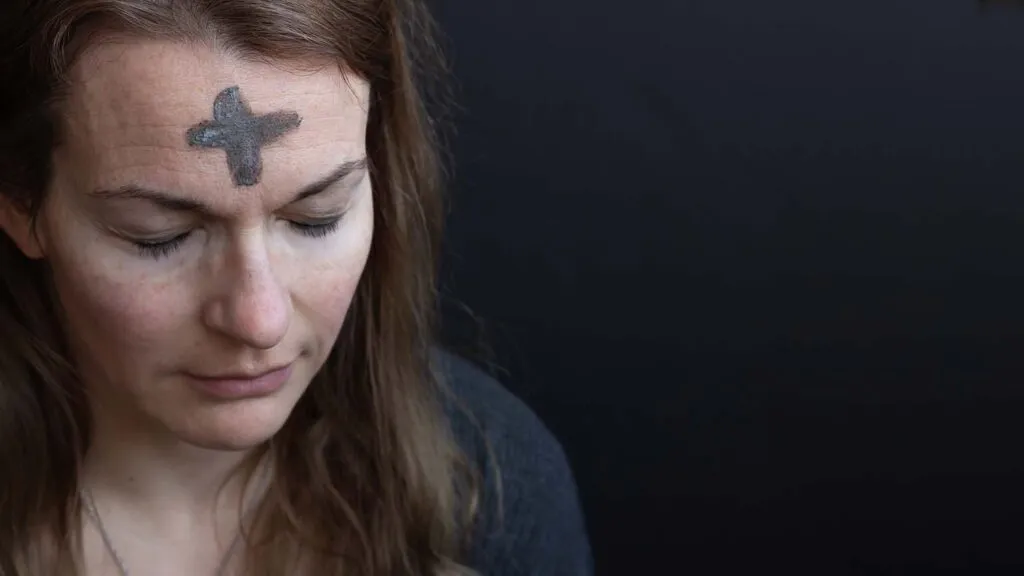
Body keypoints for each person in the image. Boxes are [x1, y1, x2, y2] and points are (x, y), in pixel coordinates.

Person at [0, 0, 592, 574]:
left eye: (318, 217)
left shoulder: (493, 491)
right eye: (162, 236)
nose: (260, 320)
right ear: (21, 206)